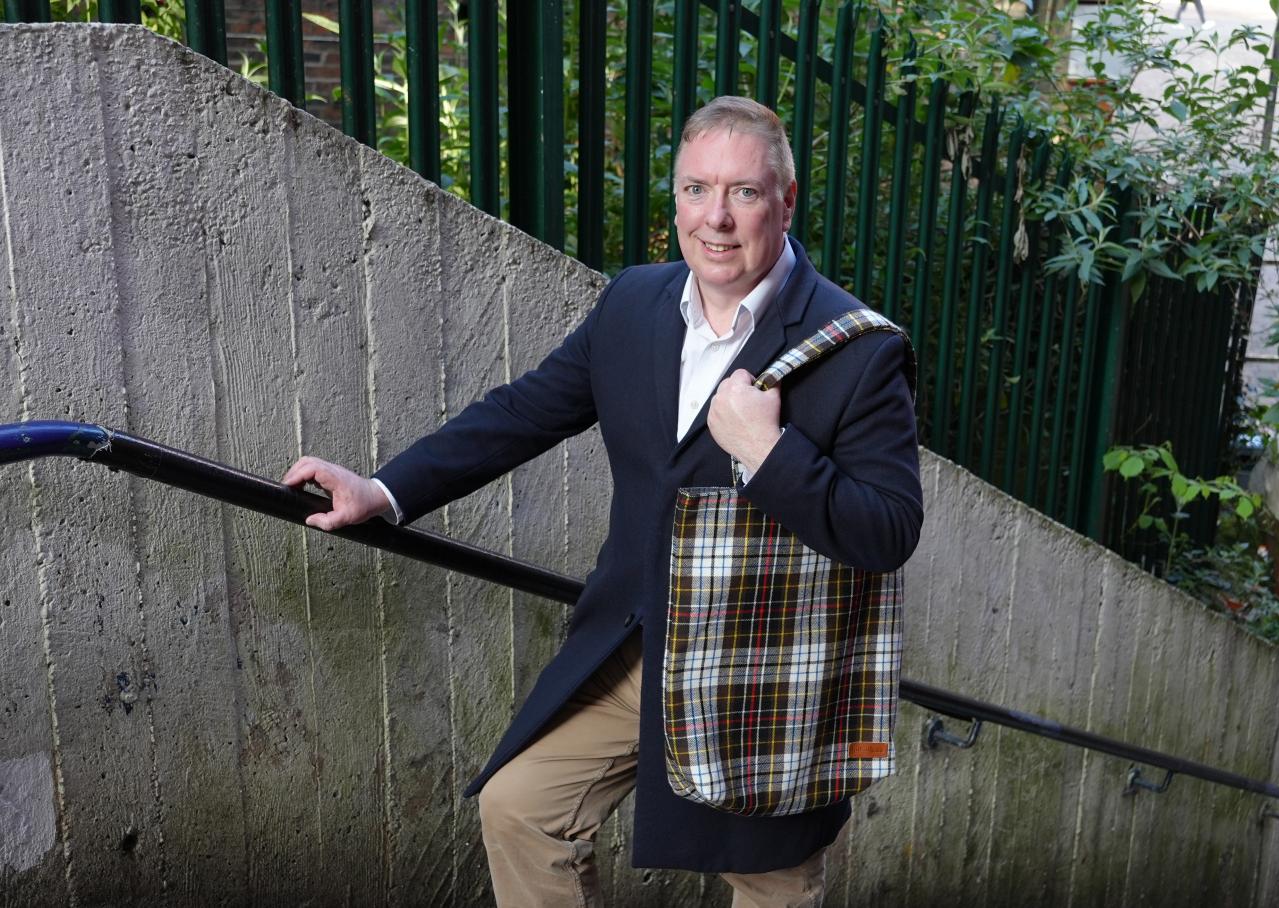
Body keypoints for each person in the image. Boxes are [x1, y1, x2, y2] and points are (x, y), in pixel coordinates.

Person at [283, 96, 923, 908]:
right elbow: (524, 411)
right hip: (640, 652)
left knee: (769, 882)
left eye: (745, 193)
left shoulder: (858, 350)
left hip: (763, 686)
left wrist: (768, 450)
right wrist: (384, 488)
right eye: (696, 190)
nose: (716, 219)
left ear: (787, 200)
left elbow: (888, 530)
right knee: (522, 808)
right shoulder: (635, 303)